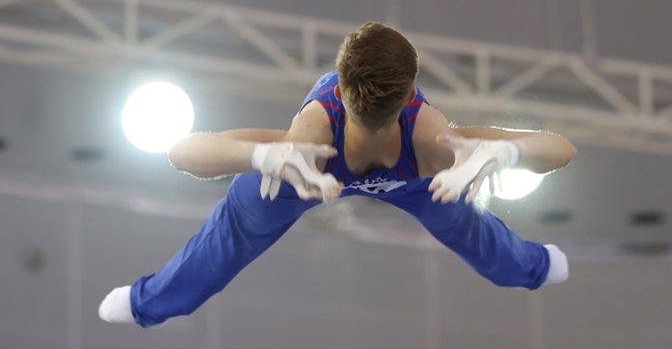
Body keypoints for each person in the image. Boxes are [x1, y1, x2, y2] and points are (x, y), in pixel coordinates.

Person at [100, 22, 576, 327]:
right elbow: (563, 149)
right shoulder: (311, 142)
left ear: (342, 86)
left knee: (231, 235)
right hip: (308, 172)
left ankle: (144, 305)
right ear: (410, 91)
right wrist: (263, 159)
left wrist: (501, 155)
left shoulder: (432, 143)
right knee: (237, 230)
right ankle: (535, 267)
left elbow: (180, 153)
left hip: (386, 176)